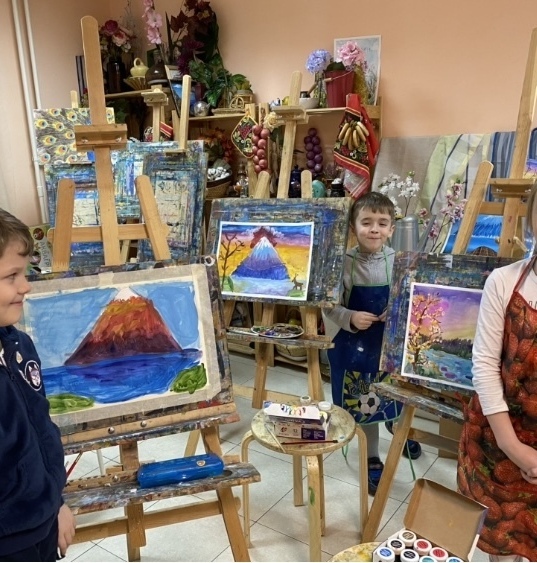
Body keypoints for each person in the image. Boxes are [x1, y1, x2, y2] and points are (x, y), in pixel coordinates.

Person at [458, 182, 537, 563]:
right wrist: (514, 448)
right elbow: (485, 366)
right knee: (504, 549)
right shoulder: (504, 281)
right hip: (499, 441)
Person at [324, 192, 422, 496]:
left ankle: (397, 425)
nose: (374, 229)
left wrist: (398, 309)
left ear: (392, 229)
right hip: (353, 348)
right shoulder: (341, 263)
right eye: (366, 222)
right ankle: (372, 457)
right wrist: (350, 317)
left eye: (382, 223)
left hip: (388, 347)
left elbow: (413, 300)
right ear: (354, 228)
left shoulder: (401, 262)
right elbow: (328, 305)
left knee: (395, 393)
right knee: (365, 402)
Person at [0, 208, 76, 561]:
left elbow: (41, 429)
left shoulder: (19, 346)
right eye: (11, 276)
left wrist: (55, 501)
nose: (25, 286)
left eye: (25, 272)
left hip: (43, 521)